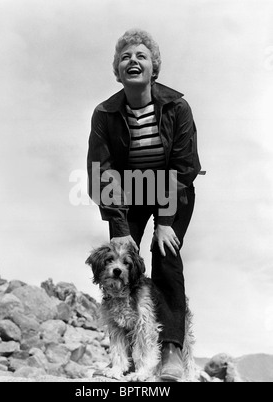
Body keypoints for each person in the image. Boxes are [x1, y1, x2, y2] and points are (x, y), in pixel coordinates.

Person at [87, 29, 201, 381]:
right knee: (122, 260)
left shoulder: (176, 107)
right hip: (127, 193)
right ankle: (131, 350)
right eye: (125, 57)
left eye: (141, 56)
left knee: (164, 255)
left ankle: (169, 348)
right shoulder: (105, 114)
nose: (132, 61)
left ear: (154, 69)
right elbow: (101, 172)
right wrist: (120, 230)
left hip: (172, 189)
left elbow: (185, 167)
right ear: (117, 71)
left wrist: (166, 219)